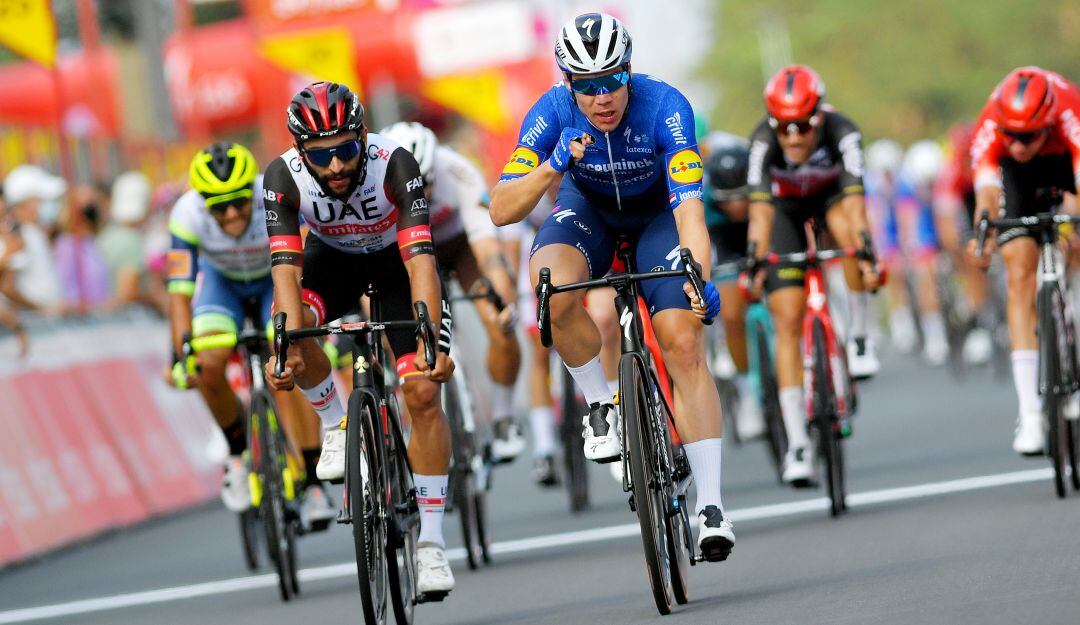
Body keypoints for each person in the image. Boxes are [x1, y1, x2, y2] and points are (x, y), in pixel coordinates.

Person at [489, 13, 735, 561]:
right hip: (588, 214)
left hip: (656, 221)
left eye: (612, 81)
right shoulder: (550, 112)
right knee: (550, 288)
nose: (602, 98)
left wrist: (699, 271)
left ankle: (712, 506)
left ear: (629, 71)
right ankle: (600, 405)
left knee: (682, 341)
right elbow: (502, 208)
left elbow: (691, 211)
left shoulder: (665, 106)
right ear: (568, 84)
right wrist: (553, 165)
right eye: (587, 86)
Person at [261, 82, 456, 595]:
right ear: (302, 153)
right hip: (333, 265)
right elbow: (286, 273)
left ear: (363, 137)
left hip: (398, 268)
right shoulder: (282, 176)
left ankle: (432, 545)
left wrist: (428, 337)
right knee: (295, 329)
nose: (336, 168)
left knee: (421, 390)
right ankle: (335, 423)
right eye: (321, 157)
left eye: (346, 151)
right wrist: (285, 346)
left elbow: (421, 262)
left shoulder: (395, 165)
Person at [167, 142, 333, 527]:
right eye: (218, 206)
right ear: (201, 200)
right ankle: (237, 455)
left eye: (238, 203)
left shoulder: (275, 193)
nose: (230, 214)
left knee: (290, 362)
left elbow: (307, 258)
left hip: (271, 281)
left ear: (252, 193)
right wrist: (180, 353)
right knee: (208, 364)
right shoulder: (185, 214)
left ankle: (311, 482)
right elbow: (179, 292)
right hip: (222, 286)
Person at [743, 65, 881, 484]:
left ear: (820, 116)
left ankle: (858, 336)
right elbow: (760, 213)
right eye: (783, 128)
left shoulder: (844, 132)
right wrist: (754, 261)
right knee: (786, 318)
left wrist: (866, 253)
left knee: (848, 236)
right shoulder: (762, 143)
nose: (794, 137)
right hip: (785, 211)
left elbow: (857, 206)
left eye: (803, 126)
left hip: (832, 201)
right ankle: (798, 442)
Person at [379, 121, 526, 463]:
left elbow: (488, 252)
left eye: (428, 182)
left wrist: (504, 299)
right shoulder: (376, 182)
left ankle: (503, 417)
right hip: (407, 253)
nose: (422, 192)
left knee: (500, 323)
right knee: (391, 332)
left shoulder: (458, 171)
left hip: (458, 247)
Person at [968, 66, 1080, 455]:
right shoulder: (992, 125)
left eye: (1027, 136)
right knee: (1018, 273)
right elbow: (985, 190)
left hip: (1065, 161)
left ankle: (1072, 307)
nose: (1017, 142)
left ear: (1047, 123)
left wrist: (1068, 230)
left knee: (1075, 233)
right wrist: (983, 230)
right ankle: (1030, 412)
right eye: (1010, 135)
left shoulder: (1070, 110)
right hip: (1015, 181)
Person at [703, 131, 765, 439]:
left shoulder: (757, 175)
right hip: (724, 239)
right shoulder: (706, 196)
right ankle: (747, 392)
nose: (737, 206)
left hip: (758, 229)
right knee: (731, 314)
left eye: (742, 197)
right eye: (729, 200)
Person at [1, 165, 65, 315]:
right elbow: (7, 287)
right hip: (36, 328)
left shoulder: (34, 234)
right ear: (25, 203)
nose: (48, 204)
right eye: (41, 200)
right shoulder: (19, 236)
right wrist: (43, 310)